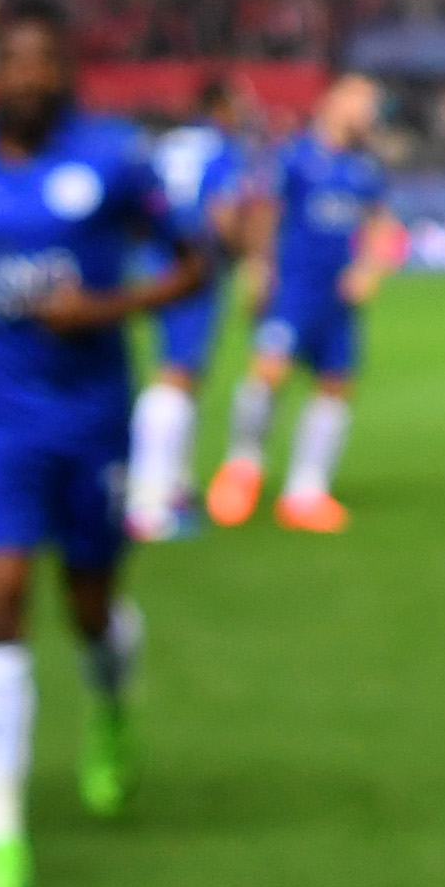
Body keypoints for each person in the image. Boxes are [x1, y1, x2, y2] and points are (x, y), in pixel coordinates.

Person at [0, 0, 210, 887]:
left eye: (47, 61)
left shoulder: (114, 159)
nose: (31, 76)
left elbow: (195, 265)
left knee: (88, 607)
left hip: (90, 423)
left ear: (67, 70)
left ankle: (111, 708)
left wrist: (103, 311)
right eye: (15, 61)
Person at [207, 73, 403, 533]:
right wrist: (256, 268)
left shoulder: (365, 169)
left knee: (336, 384)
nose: (369, 113)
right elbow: (265, 213)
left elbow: (384, 229)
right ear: (334, 104)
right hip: (293, 286)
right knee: (268, 373)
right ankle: (242, 467)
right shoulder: (294, 156)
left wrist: (369, 270)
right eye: (362, 102)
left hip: (337, 296)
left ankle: (306, 491)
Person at [125, 70, 261, 541]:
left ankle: (174, 486)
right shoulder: (222, 149)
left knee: (179, 373)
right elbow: (224, 215)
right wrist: (250, 258)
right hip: (194, 265)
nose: (245, 112)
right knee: (177, 374)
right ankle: (147, 501)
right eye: (239, 103)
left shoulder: (165, 145)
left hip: (152, 262)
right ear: (220, 106)